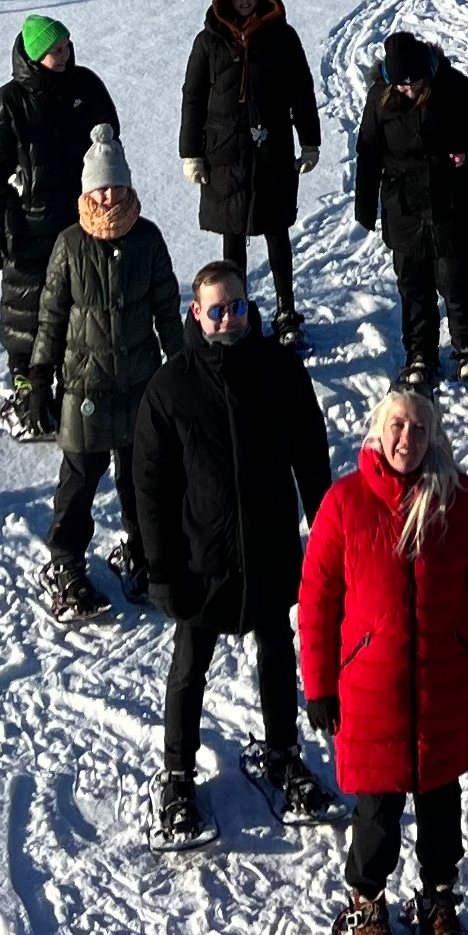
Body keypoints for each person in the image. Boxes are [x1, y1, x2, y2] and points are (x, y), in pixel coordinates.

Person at [299, 387, 468, 935]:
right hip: (372, 698)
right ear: (378, 429)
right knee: (378, 817)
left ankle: (438, 901)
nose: (407, 440)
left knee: (443, 810)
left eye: (420, 429)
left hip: (445, 692)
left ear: (433, 436)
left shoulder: (457, 499)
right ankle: (366, 910)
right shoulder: (345, 502)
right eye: (397, 425)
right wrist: (318, 685)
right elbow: (317, 602)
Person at [131, 260, 335, 840]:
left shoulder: (279, 370)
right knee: (190, 665)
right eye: (216, 309)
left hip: (269, 549)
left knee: (277, 648)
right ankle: (177, 775)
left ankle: (283, 754)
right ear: (197, 314)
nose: (229, 318)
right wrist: (162, 567)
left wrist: (323, 530)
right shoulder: (171, 389)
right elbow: (151, 486)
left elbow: (311, 456)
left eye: (237, 306)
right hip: (202, 559)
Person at [32, 128, 183, 615]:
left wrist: (182, 370)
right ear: (86, 192)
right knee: (80, 474)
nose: (110, 196)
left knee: (140, 474)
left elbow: (167, 309)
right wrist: (39, 375)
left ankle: (142, 549)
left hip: (139, 381)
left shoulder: (148, 239)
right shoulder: (69, 245)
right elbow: (52, 316)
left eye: (116, 187)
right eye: (100, 189)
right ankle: (64, 562)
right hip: (85, 384)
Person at [0, 17, 117, 432]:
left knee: (80, 304)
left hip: (81, 221)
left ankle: (74, 379)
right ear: (35, 53)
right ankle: (25, 382)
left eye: (67, 46)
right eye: (55, 49)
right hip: (27, 226)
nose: (65, 55)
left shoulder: (87, 88)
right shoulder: (9, 102)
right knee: (27, 306)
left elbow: (112, 144)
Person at [178, 0, 325, 345]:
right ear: (225, 0)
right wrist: (190, 152)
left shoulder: (283, 38)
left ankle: (285, 309)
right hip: (224, 155)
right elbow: (193, 97)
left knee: (277, 233)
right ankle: (234, 313)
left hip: (271, 151)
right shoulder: (208, 42)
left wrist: (310, 140)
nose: (244, 1)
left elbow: (301, 91)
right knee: (232, 239)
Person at [353, 28, 468, 391]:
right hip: (404, 207)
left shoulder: (455, 88)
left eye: (415, 81)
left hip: (454, 204)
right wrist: (365, 205)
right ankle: (421, 354)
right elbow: (369, 152)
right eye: (401, 84)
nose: (410, 89)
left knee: (457, 282)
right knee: (414, 287)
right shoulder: (379, 99)